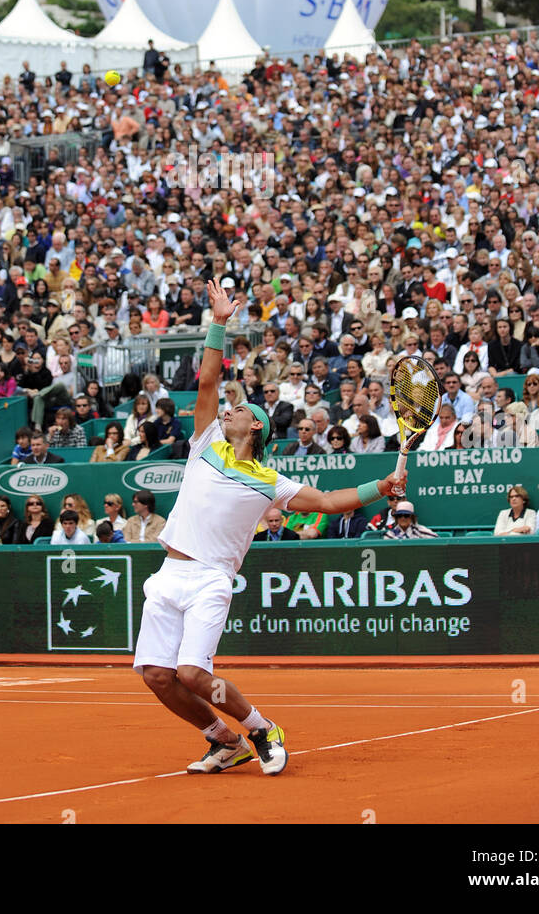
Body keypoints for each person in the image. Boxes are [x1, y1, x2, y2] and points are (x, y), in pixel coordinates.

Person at [134, 279, 405, 777]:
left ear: (256, 425)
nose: (230, 409)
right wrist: (217, 323)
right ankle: (223, 741)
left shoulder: (268, 480)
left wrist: (380, 488)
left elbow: (326, 500)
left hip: (212, 577)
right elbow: (209, 382)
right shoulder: (205, 443)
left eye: (241, 410)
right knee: (157, 676)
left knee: (193, 674)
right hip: (168, 572)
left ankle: (261, 729)